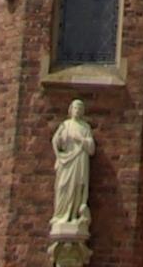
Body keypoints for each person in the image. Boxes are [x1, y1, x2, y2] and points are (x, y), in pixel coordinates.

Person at [51, 99, 95, 231]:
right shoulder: (65, 125)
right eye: (75, 108)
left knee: (77, 186)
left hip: (79, 160)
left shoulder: (85, 127)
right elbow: (57, 141)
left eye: (80, 109)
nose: (77, 111)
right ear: (71, 110)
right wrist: (58, 141)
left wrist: (80, 139)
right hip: (66, 161)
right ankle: (60, 214)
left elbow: (91, 148)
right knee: (62, 186)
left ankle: (74, 215)